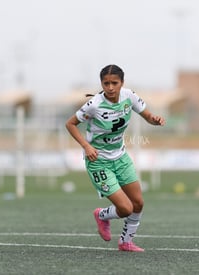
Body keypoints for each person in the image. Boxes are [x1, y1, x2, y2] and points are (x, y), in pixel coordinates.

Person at [65, 64, 165, 252]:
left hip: (120, 157)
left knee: (138, 203)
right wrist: (86, 146)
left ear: (122, 83)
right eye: (106, 83)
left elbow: (147, 115)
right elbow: (70, 124)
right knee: (126, 208)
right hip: (99, 161)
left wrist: (155, 120)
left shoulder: (129, 96)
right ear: (101, 83)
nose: (110, 87)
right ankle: (102, 215)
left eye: (114, 83)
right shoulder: (94, 104)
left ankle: (125, 242)